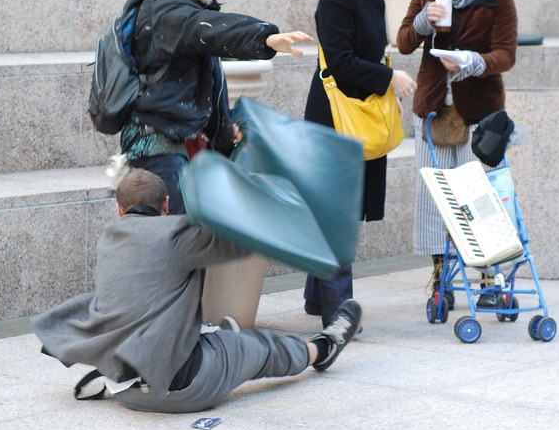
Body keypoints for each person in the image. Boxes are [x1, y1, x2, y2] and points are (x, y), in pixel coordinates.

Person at [31, 168, 362, 414]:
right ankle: (324, 349)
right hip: (184, 388)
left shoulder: (108, 238)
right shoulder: (176, 232)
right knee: (259, 346)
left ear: (119, 210)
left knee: (105, 304)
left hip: (127, 394)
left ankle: (210, 336)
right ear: (167, 205)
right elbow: (240, 242)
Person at [118, 0, 312, 214]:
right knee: (171, 241)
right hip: (157, 147)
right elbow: (205, 27)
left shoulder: (184, 6)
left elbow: (206, 81)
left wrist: (223, 130)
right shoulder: (165, 7)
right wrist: (266, 38)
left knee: (185, 240)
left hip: (178, 141)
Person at [302, 0, 418, 326]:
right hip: (336, 120)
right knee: (338, 215)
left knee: (336, 212)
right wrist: (390, 78)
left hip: (361, 114)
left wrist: (387, 92)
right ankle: (339, 315)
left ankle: (320, 301)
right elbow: (342, 61)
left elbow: (370, 53)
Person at [395, 0, 518, 309]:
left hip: (478, 112)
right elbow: (403, 42)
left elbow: (507, 54)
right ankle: (440, 275)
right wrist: (422, 21)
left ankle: (488, 277)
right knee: (435, 197)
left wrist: (472, 62)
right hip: (433, 109)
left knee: (479, 198)